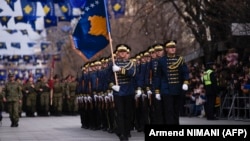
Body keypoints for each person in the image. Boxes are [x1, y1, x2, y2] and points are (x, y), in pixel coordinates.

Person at [155, 40, 189, 125]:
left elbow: (185, 72)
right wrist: (157, 91)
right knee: (168, 111)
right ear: (166, 49)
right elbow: (158, 76)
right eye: (170, 47)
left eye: (174, 47)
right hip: (166, 89)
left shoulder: (180, 59)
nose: (173, 49)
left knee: (176, 111)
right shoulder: (162, 61)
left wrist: (185, 82)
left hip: (177, 88)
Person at [111, 44, 136, 141]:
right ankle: (122, 133)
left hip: (128, 91)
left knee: (128, 113)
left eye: (124, 52)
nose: (122, 54)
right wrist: (112, 85)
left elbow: (132, 73)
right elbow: (107, 78)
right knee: (120, 113)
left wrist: (120, 70)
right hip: (118, 92)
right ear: (117, 53)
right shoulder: (113, 64)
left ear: (126, 53)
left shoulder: (131, 63)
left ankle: (127, 131)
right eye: (120, 52)